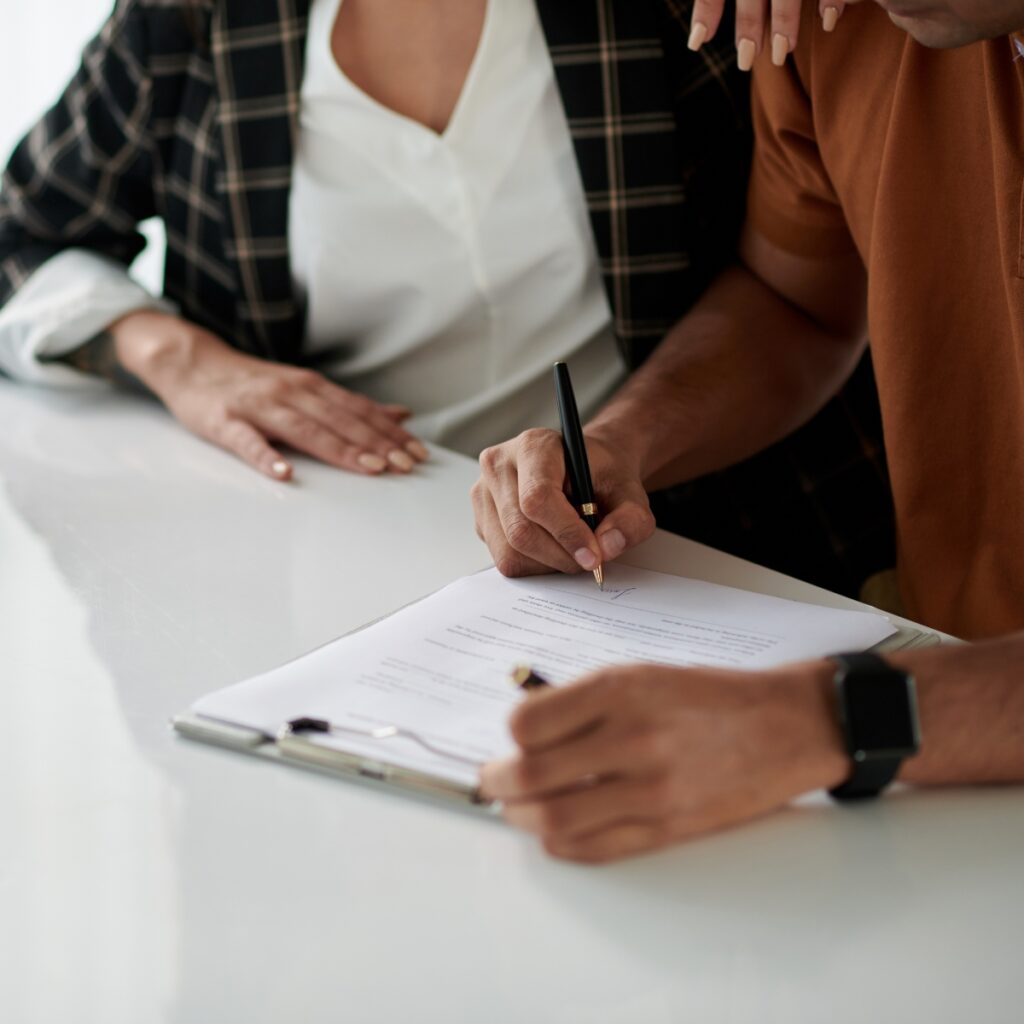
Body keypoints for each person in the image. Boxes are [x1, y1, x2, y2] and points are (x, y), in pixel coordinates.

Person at [0, 0, 893, 599]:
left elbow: (802, 286)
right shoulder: (191, 16)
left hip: (689, 552)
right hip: (326, 559)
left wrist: (623, 445)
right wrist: (180, 359)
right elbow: (22, 232)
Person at [474, 0, 1024, 861]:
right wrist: (626, 441)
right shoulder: (847, 23)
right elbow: (796, 300)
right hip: (937, 713)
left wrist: (821, 718)